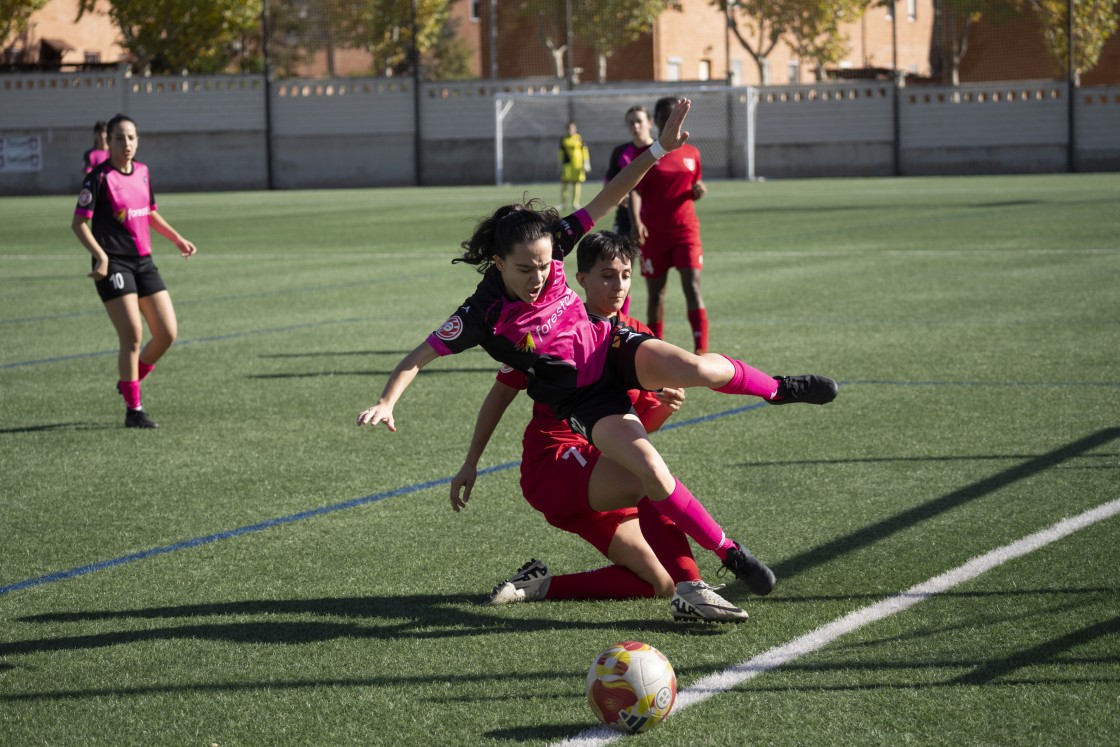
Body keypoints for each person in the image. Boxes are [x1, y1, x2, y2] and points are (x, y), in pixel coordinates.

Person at [356, 98, 836, 602]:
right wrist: (388, 401)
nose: (540, 276)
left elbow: (611, 195)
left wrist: (656, 150)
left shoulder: (555, 240)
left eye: (546, 264)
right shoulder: (481, 314)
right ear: (498, 263)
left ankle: (778, 390)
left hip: (611, 347)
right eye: (525, 269)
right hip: (586, 403)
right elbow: (418, 356)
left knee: (698, 367)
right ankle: (730, 554)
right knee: (650, 471)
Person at [450, 232, 747, 622]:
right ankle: (695, 592)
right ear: (581, 279)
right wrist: (470, 462)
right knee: (650, 480)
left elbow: (631, 433)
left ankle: (536, 585)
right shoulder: (551, 327)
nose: (618, 285)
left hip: (598, 469)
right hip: (554, 464)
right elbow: (500, 395)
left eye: (625, 275)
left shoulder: (638, 335)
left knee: (658, 581)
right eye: (606, 275)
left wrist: (664, 410)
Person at [71, 113, 198, 428]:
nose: (125, 144)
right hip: (113, 263)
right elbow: (78, 223)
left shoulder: (142, 172)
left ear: (137, 141)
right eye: (119, 138)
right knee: (132, 336)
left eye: (130, 138)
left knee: (167, 333)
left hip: (144, 262)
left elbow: (150, 213)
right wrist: (100, 256)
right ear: (108, 141)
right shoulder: (99, 178)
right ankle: (134, 410)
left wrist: (177, 238)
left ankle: (129, 381)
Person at [630, 96, 709, 354]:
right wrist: (637, 221)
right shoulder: (648, 155)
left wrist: (699, 190)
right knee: (656, 294)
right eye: (664, 116)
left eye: (674, 115)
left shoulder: (692, 153)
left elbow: (695, 184)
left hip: (686, 232)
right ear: (657, 121)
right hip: (654, 235)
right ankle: (656, 346)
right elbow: (636, 191)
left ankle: (700, 348)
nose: (670, 120)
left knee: (692, 286)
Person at [603, 106, 655, 244]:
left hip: (656, 217)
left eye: (639, 121)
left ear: (650, 122)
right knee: (621, 261)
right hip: (625, 218)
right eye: (631, 122)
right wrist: (618, 194)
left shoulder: (660, 149)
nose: (635, 126)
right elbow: (609, 182)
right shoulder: (620, 151)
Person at [558, 121, 590, 211]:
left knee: (576, 183)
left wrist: (586, 162)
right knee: (565, 183)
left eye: (572, 128)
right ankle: (563, 203)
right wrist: (559, 163)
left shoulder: (579, 138)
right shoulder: (563, 139)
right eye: (568, 129)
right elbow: (561, 152)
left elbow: (584, 150)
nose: (570, 130)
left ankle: (575, 203)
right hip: (567, 165)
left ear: (575, 129)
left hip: (577, 164)